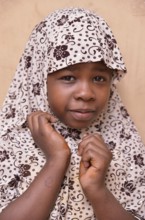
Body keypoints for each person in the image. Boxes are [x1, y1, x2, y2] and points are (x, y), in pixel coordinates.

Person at [0, 7, 145, 220]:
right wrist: (57, 159)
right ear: (39, 79)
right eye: (68, 77)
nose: (86, 94)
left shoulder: (125, 146)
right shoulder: (9, 144)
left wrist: (97, 190)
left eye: (99, 78)